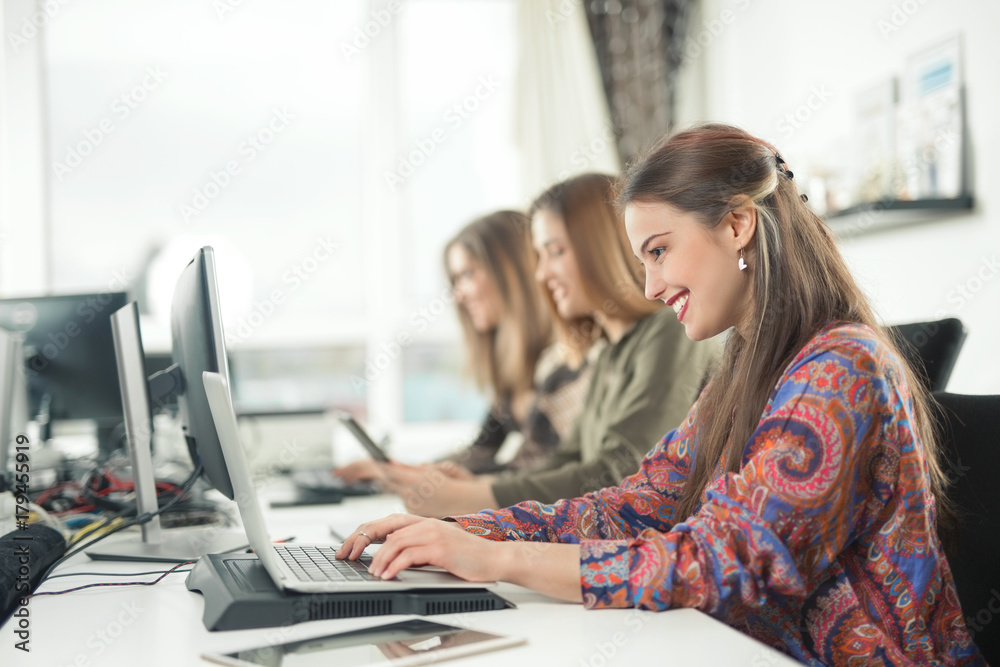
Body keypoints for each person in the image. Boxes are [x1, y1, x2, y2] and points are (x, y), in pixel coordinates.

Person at [337, 125, 982, 665]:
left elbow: (721, 564)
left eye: (659, 251)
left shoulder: (843, 367)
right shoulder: (748, 368)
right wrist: (453, 532)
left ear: (737, 225)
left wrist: (499, 558)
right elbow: (635, 507)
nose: (649, 287)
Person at [347, 174, 716, 518]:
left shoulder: (668, 332)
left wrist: (478, 497)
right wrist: (481, 485)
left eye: (555, 252)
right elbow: (569, 460)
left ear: (598, 249)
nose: (541, 274)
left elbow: (617, 472)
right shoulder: (611, 351)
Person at [337, 210, 599, 485]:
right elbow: (481, 450)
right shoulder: (512, 369)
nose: (459, 294)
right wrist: (398, 471)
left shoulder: (569, 360)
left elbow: (527, 470)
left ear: (512, 271)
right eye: (455, 280)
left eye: (468, 274)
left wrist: (415, 478)